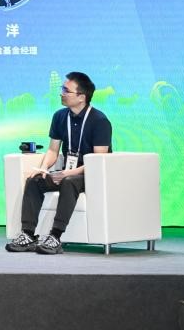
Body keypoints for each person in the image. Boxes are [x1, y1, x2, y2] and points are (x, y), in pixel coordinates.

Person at [6, 72, 112, 255]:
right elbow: (53, 150)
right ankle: (28, 234)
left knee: (69, 182)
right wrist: (43, 168)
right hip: (67, 172)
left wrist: (67, 174)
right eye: (62, 89)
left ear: (81, 97)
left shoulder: (100, 121)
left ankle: (55, 237)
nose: (61, 93)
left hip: (91, 175)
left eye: (66, 90)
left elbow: (98, 161)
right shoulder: (59, 117)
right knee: (35, 180)